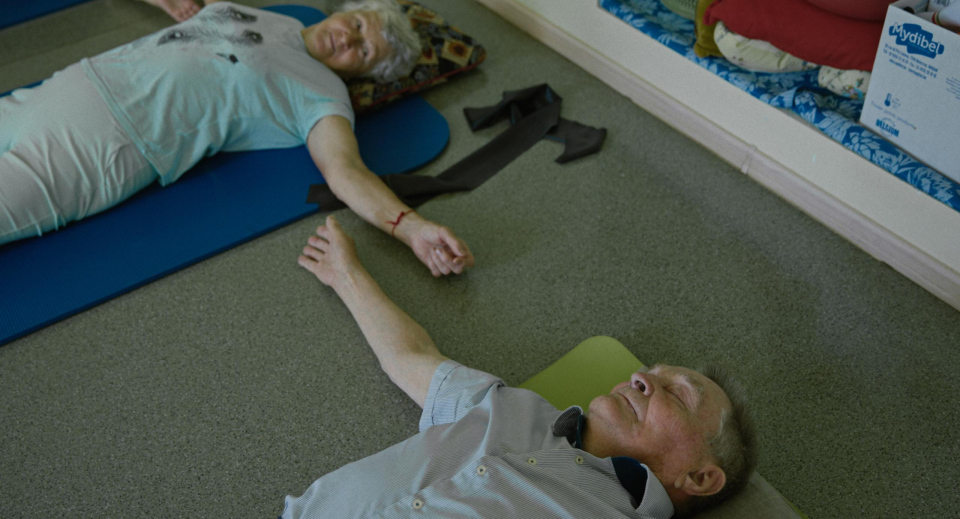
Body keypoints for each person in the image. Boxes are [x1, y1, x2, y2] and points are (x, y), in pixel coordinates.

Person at [288, 215, 759, 518]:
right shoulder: (513, 407)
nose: (640, 378)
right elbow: (411, 357)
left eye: (677, 393)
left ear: (700, 478)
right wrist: (345, 273)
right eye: (651, 371)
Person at [0, 0, 473, 277]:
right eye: (358, 24)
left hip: (102, 146)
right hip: (60, 89)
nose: (347, 39)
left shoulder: (324, 96)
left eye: (364, 51)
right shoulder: (279, 20)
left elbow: (346, 171)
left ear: (367, 74)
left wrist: (411, 228)